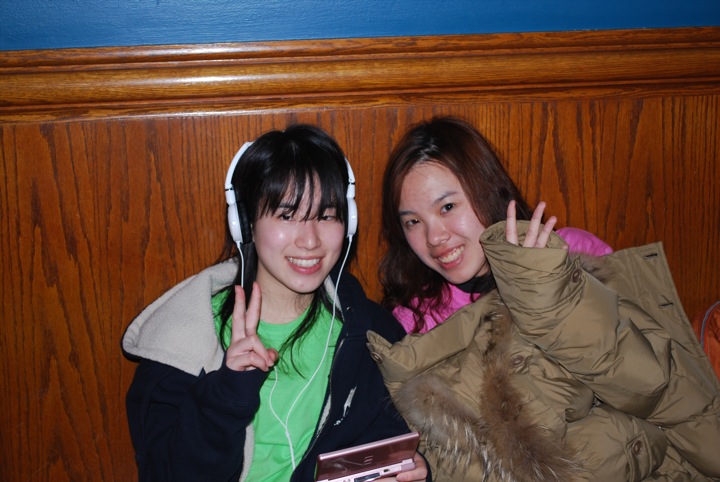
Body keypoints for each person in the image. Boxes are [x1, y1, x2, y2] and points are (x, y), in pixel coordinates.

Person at [368, 117, 720, 481]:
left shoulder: (572, 253)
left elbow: (650, 383)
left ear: (486, 190)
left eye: (447, 208)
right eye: (412, 222)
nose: (434, 237)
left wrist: (542, 282)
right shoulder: (413, 324)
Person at [123, 124, 429, 482]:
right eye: (287, 215)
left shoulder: (372, 334)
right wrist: (226, 394)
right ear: (245, 224)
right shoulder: (183, 341)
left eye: (326, 215)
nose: (310, 241)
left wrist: (414, 471)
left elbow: (391, 445)